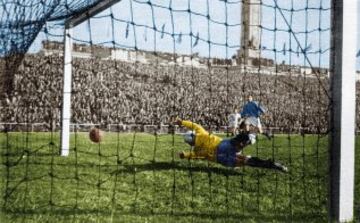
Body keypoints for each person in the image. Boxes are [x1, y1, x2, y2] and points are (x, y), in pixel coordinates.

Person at [175, 118, 288, 172]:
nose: (191, 143)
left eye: (190, 142)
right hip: (221, 147)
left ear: (191, 140)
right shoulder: (200, 133)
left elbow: (193, 155)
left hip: (219, 156)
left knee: (243, 160)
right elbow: (194, 125)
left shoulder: (197, 147)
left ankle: (248, 137)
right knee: (242, 154)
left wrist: (184, 155)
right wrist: (182, 122)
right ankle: (247, 137)